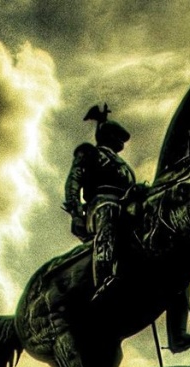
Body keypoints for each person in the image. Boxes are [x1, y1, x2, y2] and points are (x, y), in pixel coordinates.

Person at [63, 103, 137, 298]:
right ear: (108, 136)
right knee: (109, 211)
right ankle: (104, 280)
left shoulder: (126, 167)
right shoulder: (90, 153)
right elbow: (74, 180)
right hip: (99, 207)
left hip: (125, 208)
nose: (121, 142)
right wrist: (76, 212)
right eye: (118, 137)